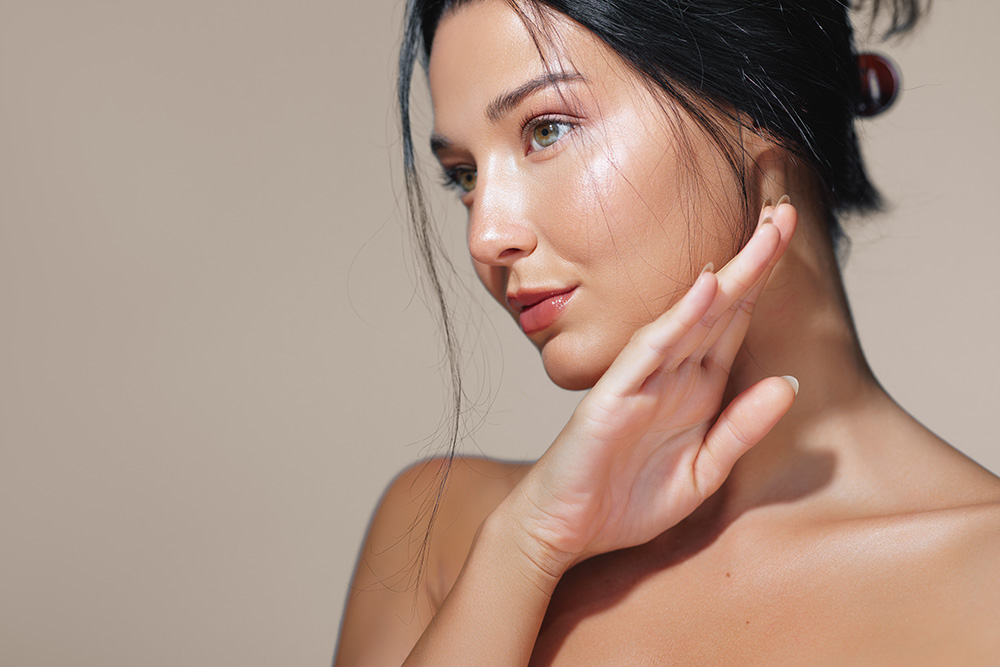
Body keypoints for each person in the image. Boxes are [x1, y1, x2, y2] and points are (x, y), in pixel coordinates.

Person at [336, 0, 1000, 664]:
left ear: (759, 100)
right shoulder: (441, 536)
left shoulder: (982, 579)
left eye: (546, 131)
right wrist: (527, 545)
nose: (487, 236)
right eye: (465, 176)